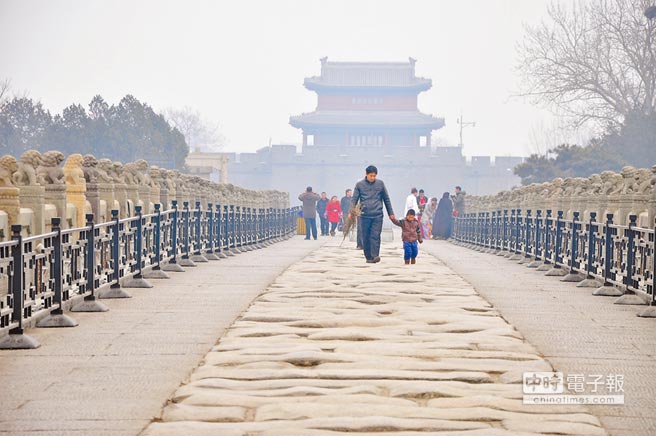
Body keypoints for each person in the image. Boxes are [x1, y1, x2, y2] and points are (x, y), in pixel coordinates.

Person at [350, 165, 395, 263]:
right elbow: (354, 199)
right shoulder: (359, 185)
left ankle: (375, 255)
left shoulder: (380, 184)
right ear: (366, 174)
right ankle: (368, 257)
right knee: (365, 236)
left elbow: (386, 199)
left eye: (374, 176)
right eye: (371, 176)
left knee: (375, 235)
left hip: (377, 214)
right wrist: (351, 212)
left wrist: (391, 213)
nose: (373, 178)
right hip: (364, 215)